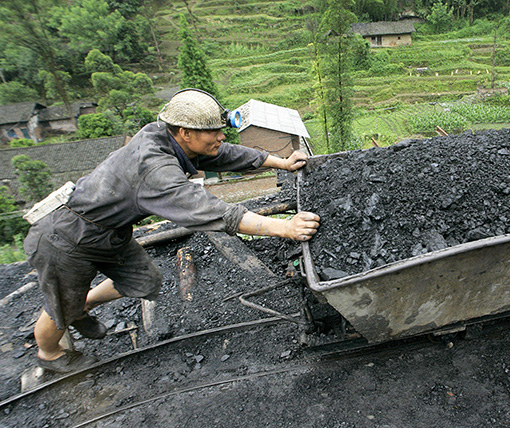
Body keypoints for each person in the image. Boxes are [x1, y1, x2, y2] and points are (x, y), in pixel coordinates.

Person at [23, 89, 320, 373]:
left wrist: (281, 163)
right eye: (214, 132)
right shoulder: (155, 170)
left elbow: (224, 154)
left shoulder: (167, 135)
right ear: (185, 132)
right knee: (60, 305)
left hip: (109, 232)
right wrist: (284, 227)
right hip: (66, 237)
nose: (221, 136)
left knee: (146, 281)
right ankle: (50, 354)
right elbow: (209, 210)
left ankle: (83, 304)